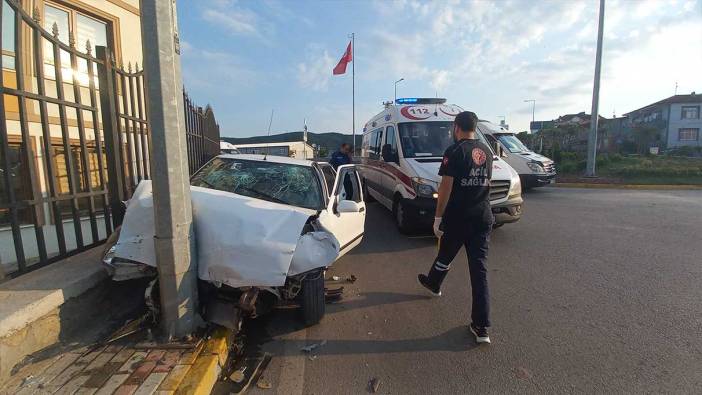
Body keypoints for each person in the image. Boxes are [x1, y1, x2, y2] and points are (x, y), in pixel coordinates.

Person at [417, 111, 494, 344]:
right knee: (477, 270)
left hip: (460, 217)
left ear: (456, 127)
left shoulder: (455, 151)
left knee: (447, 250)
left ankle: (433, 282)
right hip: (482, 216)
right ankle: (482, 328)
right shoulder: (487, 152)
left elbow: (446, 188)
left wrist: (438, 218)